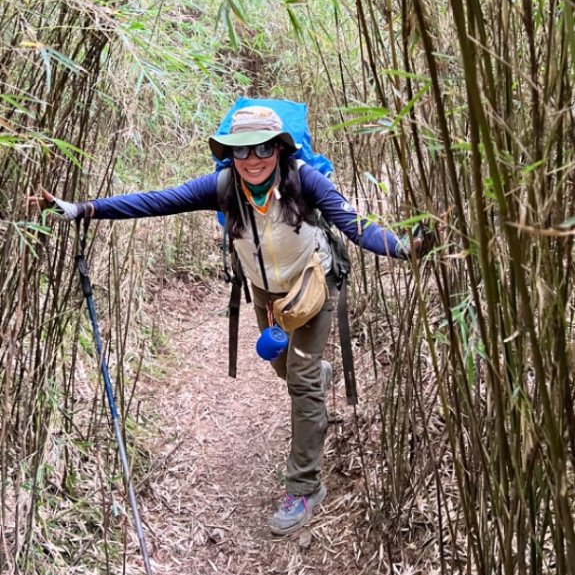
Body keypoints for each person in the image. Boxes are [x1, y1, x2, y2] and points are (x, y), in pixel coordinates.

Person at [34, 105, 423, 537]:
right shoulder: (223, 187)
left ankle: (305, 487)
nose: (252, 159)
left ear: (278, 148)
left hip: (312, 283)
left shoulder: (303, 180)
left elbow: (356, 225)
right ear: (230, 154)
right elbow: (155, 201)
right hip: (266, 293)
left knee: (303, 383)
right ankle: (315, 373)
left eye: (262, 148)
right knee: (285, 368)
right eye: (241, 151)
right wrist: (83, 209)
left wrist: (404, 247)